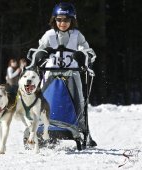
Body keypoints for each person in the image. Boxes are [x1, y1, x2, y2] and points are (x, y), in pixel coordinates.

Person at [37, 2, 97, 147]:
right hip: (51, 73)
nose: (62, 23)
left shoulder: (77, 35)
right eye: (59, 20)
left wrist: (82, 55)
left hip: (72, 73)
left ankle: (84, 131)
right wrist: (41, 55)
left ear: (72, 20)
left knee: (79, 101)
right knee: (45, 101)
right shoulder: (49, 35)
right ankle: (43, 128)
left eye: (66, 20)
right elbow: (38, 50)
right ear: (54, 20)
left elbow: (89, 52)